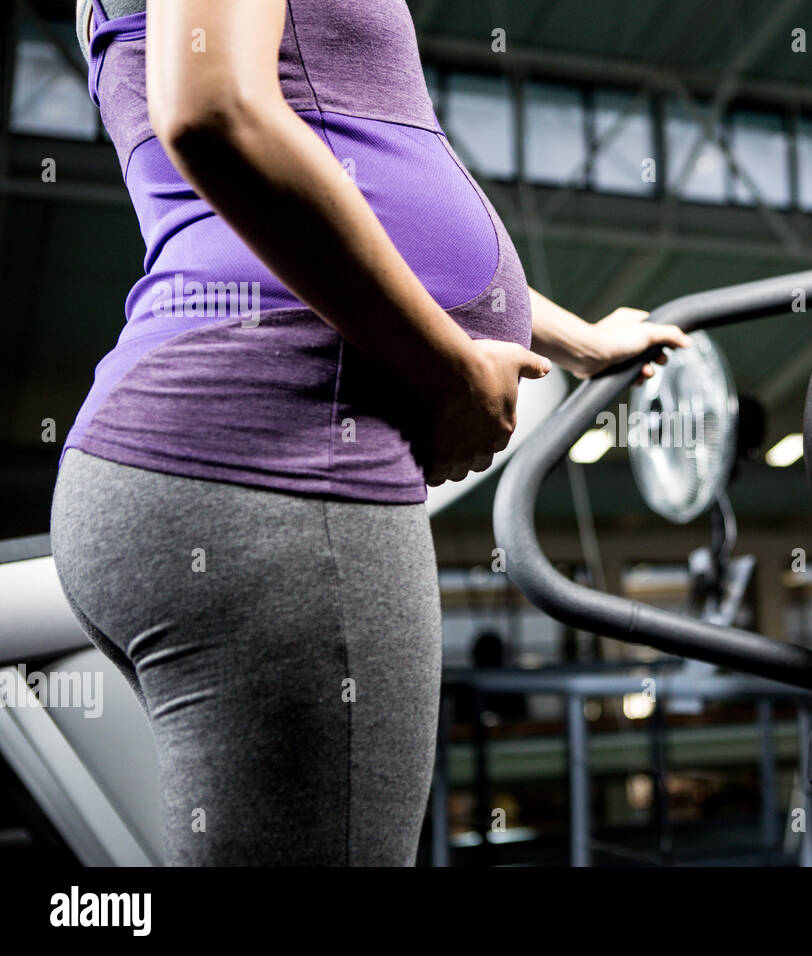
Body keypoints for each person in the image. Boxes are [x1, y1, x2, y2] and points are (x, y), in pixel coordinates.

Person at [50, 0, 689, 866]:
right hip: (274, 465)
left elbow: (335, 201)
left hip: (204, 463)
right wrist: (452, 377)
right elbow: (217, 114)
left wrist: (574, 341)